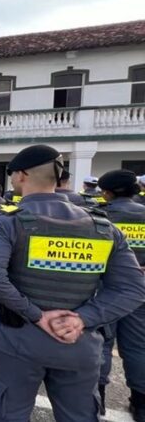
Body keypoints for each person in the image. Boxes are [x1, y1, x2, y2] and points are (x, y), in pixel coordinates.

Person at [0, 145, 145, 421]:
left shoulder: (8, 223)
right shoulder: (102, 227)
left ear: (20, 175)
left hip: (19, 337)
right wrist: (82, 318)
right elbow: (132, 289)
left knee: (11, 414)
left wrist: (37, 315)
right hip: (78, 340)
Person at [95, 170, 145, 418]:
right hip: (140, 290)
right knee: (139, 346)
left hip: (103, 290)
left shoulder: (99, 216)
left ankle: (98, 398)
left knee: (101, 342)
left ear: (106, 192)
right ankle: (141, 401)